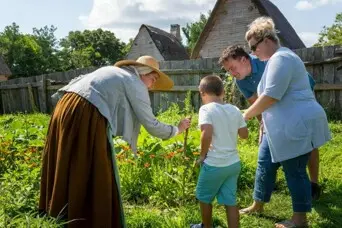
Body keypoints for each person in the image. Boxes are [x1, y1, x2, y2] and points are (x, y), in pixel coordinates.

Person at [39, 55, 191, 228]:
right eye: (153, 78)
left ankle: (59, 211)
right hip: (85, 111)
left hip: (65, 106)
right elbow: (151, 124)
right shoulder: (134, 83)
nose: (153, 84)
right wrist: (177, 129)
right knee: (95, 165)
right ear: (143, 73)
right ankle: (86, 219)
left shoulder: (113, 72)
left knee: (68, 158)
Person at [241, 17, 331, 228]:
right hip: (279, 127)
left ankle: (299, 220)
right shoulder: (275, 60)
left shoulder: (282, 59)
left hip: (296, 125)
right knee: (264, 162)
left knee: (295, 171)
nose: (253, 53)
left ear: (266, 40)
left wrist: (244, 115)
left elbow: (271, 96)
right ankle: (258, 203)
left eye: (254, 47)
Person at [218, 45, 322, 217]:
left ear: (244, 59)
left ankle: (313, 184)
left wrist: (244, 118)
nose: (231, 73)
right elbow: (256, 103)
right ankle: (257, 204)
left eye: (232, 68)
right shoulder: (241, 80)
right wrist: (264, 127)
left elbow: (286, 93)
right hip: (273, 109)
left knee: (307, 145)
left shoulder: (269, 61)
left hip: (298, 102)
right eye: (228, 71)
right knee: (264, 158)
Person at [190, 75, 248, 228]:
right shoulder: (234, 110)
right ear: (223, 92)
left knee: (204, 197)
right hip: (233, 164)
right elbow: (244, 135)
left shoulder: (206, 109)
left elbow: (206, 133)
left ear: (202, 93)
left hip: (215, 164)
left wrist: (202, 156)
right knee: (230, 201)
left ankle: (206, 226)